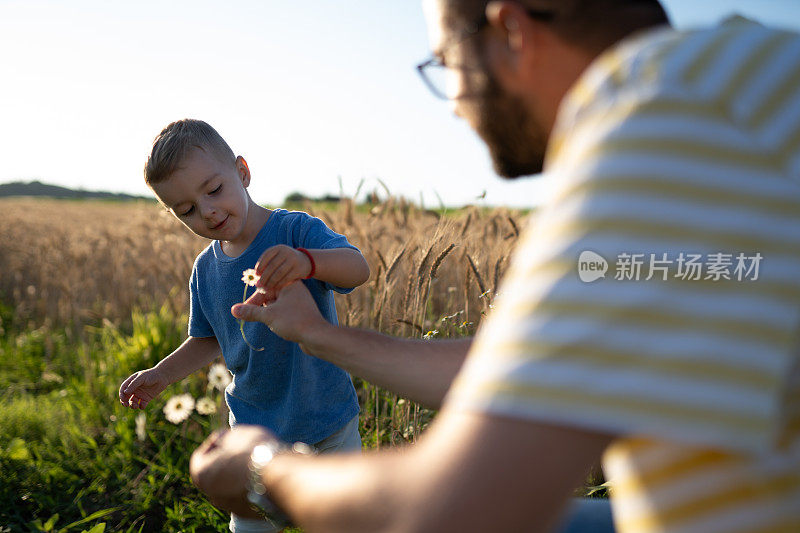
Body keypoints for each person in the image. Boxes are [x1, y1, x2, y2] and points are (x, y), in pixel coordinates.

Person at [190, 1, 800, 532]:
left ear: (511, 29)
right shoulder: (742, 83)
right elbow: (535, 371)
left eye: (445, 64)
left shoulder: (658, 131)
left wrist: (261, 469)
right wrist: (320, 336)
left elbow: (444, 515)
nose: (454, 105)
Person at [118, 119, 370, 533]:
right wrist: (161, 375)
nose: (208, 211)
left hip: (327, 418)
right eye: (187, 211)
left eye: (214, 190)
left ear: (242, 171)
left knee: (346, 522)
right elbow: (206, 339)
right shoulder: (205, 270)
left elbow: (357, 269)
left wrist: (308, 261)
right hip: (255, 438)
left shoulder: (293, 230)